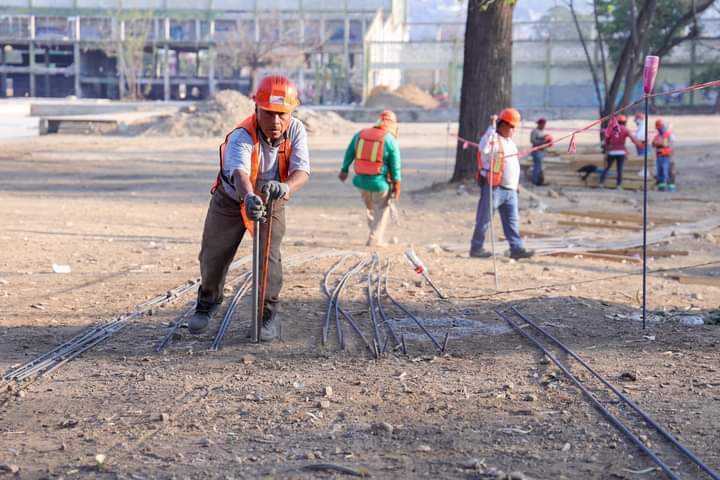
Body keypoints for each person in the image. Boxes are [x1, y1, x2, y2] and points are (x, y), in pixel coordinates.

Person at [188, 75, 310, 341]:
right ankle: (207, 303)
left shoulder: (296, 130)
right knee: (213, 254)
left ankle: (267, 316)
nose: (275, 121)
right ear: (256, 109)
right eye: (269, 113)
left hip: (273, 199)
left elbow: (302, 170)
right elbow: (240, 173)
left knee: (269, 259)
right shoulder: (243, 135)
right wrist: (249, 197)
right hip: (230, 199)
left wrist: (286, 187)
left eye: (282, 114)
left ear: (291, 113)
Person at [470, 108, 534, 260]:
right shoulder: (492, 139)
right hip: (494, 188)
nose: (513, 130)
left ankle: (516, 248)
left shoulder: (510, 143)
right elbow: (484, 148)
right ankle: (476, 247)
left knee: (512, 222)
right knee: (484, 219)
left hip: (510, 190)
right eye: (512, 127)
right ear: (503, 125)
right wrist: (492, 127)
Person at [339, 110, 401, 247]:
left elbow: (349, 152)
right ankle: (374, 239)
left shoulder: (360, 134)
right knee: (381, 209)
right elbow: (395, 165)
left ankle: (373, 233)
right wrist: (397, 184)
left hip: (361, 182)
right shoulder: (389, 139)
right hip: (379, 183)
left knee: (371, 208)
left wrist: (344, 170)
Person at [599, 114, 644, 189]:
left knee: (607, 168)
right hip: (621, 152)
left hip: (612, 151)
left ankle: (601, 183)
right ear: (624, 122)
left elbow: (606, 139)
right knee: (619, 169)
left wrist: (607, 148)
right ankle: (618, 185)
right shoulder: (625, 129)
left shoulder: (612, 129)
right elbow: (633, 139)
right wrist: (640, 145)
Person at [652, 118, 676, 191]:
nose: (659, 129)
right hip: (659, 156)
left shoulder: (668, 135)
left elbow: (671, 145)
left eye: (660, 127)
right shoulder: (657, 136)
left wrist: (661, 144)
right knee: (660, 171)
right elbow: (653, 144)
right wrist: (655, 143)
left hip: (667, 156)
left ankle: (670, 186)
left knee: (667, 171)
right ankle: (661, 186)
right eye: (658, 128)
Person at [529, 118, 552, 186]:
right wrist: (543, 142)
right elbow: (533, 141)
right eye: (543, 125)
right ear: (540, 124)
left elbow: (544, 140)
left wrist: (547, 142)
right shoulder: (535, 131)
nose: (544, 126)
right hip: (536, 152)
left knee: (540, 167)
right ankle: (535, 182)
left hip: (541, 152)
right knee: (537, 167)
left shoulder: (541, 131)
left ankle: (539, 181)